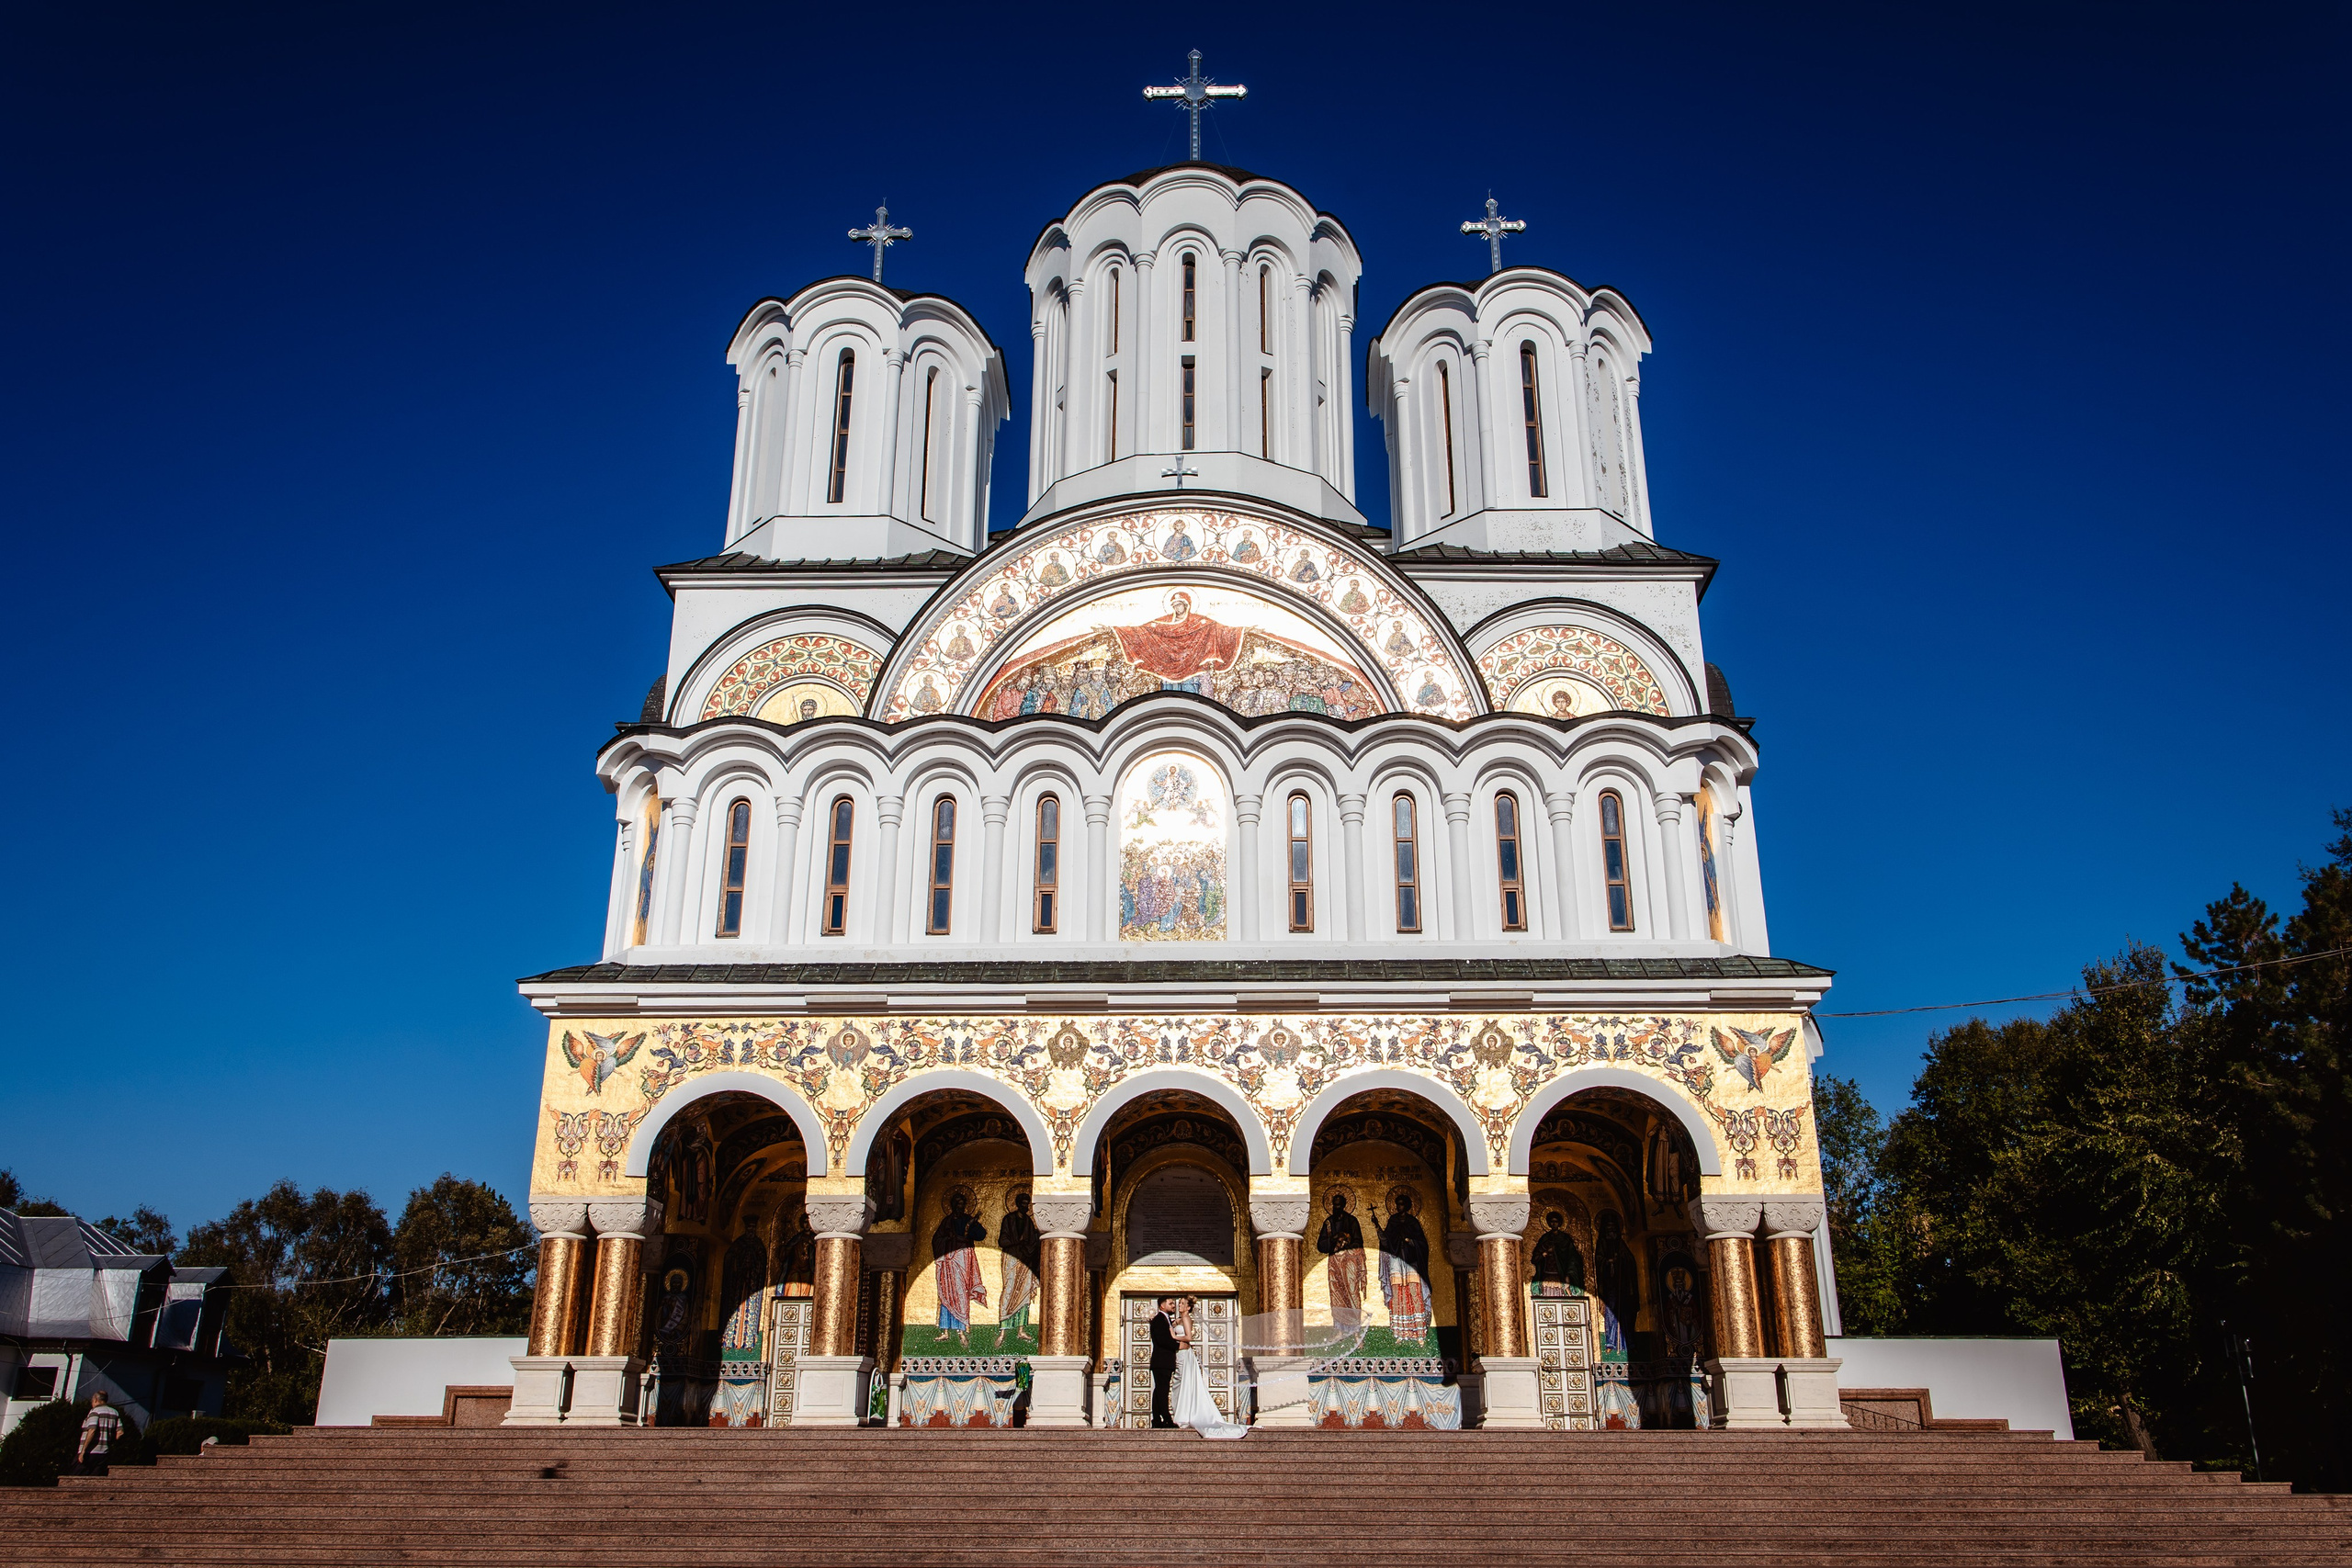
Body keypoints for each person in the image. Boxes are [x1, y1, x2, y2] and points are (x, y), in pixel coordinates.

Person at [1168, 1296, 1249, 1438]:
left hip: (1185, 1355)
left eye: (1182, 1304)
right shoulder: (1177, 1320)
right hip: (1177, 1354)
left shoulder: (1186, 1319)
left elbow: (1188, 1337)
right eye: (1179, 1303)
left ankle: (1183, 1416)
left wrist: (1174, 1336)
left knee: (1184, 1384)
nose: (1179, 1305)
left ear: (1188, 1307)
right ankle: (1178, 1413)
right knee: (1177, 1386)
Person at [1148, 1296, 1181, 1428]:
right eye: (1171, 1303)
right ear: (1162, 1306)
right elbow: (1162, 1340)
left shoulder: (1165, 1320)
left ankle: (1156, 1419)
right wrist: (1178, 1346)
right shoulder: (1159, 1320)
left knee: (1159, 1390)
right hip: (1162, 1361)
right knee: (1163, 1390)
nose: (1174, 1305)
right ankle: (1166, 1419)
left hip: (1164, 1362)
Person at [77, 1390, 123, 1475]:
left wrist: (83, 1451)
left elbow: (92, 1430)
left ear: (95, 1399)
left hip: (90, 1452)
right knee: (96, 1478)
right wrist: (109, 1441)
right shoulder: (115, 1412)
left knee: (76, 1476)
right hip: (104, 1452)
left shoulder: (95, 1411)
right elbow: (120, 1432)